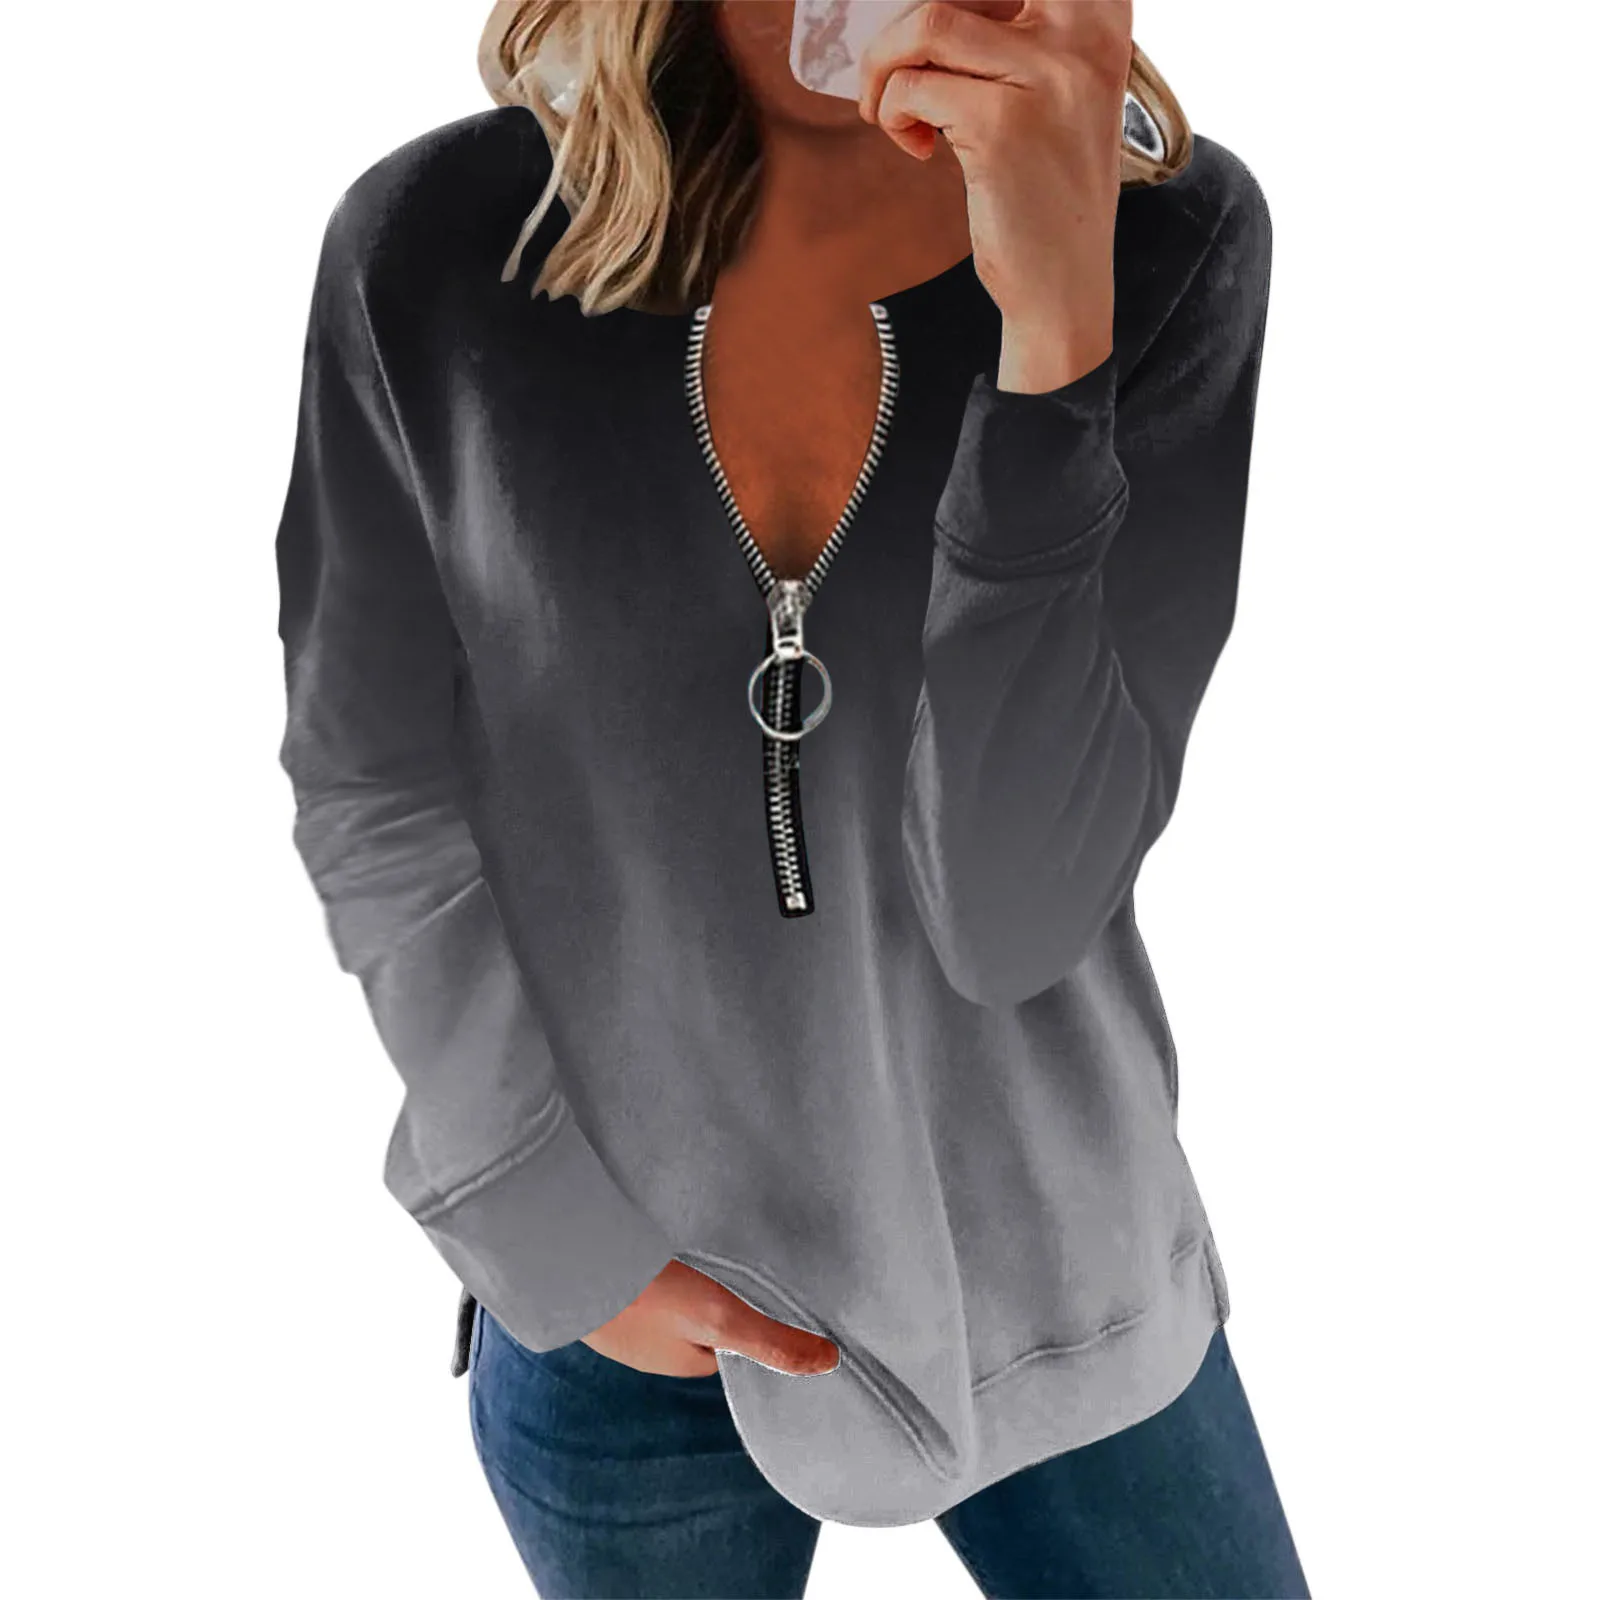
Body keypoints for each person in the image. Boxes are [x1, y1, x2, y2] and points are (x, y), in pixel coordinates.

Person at [272, 0, 1308, 1594]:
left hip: (1056, 1271)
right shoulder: (434, 248)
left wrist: (1054, 341)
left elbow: (1018, 908)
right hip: (627, 1303)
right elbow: (373, 778)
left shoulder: (1170, 238)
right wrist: (545, 1225)